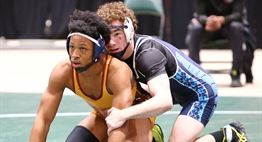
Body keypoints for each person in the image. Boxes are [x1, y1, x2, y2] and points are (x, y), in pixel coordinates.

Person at [96, 1, 250, 142]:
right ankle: (155, 136)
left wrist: (123, 114)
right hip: (170, 88)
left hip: (200, 94)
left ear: (129, 31)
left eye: (117, 34)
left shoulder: (148, 55)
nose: (112, 42)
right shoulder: (111, 53)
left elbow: (164, 101)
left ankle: (230, 134)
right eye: (107, 37)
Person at [29, 9, 161, 142]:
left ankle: (153, 137)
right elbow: (43, 118)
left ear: (97, 50)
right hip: (104, 114)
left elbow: (119, 122)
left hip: (133, 114)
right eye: (72, 46)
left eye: (83, 48)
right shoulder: (63, 71)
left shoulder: (117, 71)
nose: (74, 55)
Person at [185, 0, 246, 87]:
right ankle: (194, 73)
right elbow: (200, 14)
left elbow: (238, 15)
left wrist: (222, 20)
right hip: (208, 28)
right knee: (195, 28)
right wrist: (209, 21)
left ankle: (236, 72)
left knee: (236, 27)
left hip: (227, 29)